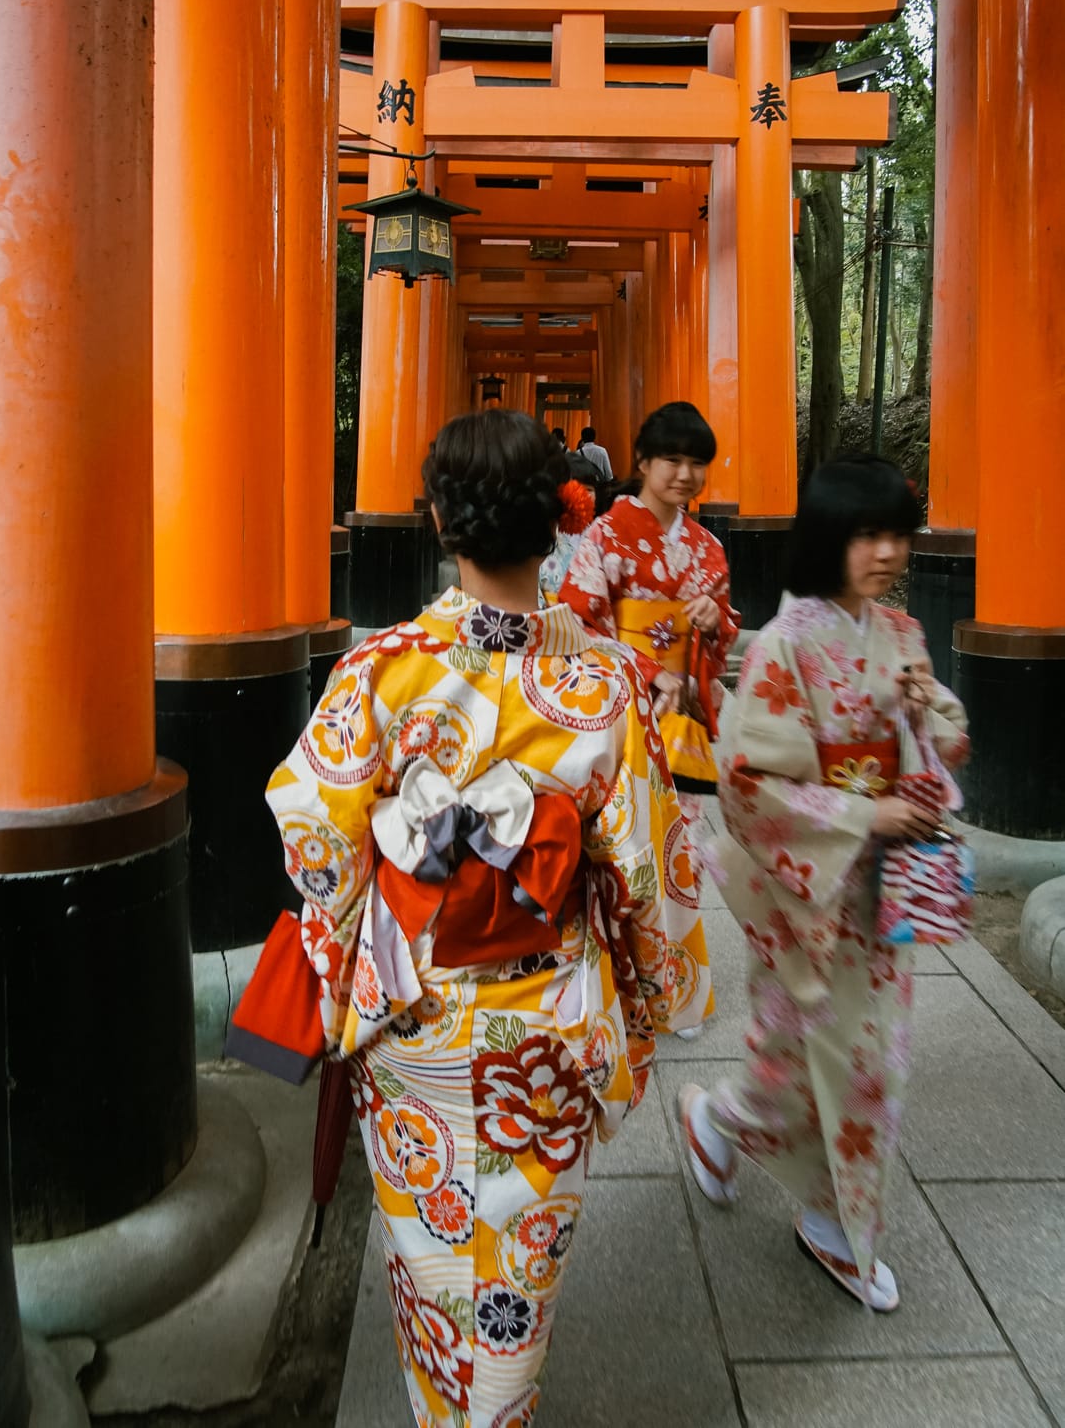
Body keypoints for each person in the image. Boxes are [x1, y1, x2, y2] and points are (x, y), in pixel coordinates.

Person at [267, 409, 705, 1428]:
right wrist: (648, 1004)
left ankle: (442, 1410)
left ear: (438, 520)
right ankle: (503, 1406)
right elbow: (649, 872)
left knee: (428, 1254)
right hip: (543, 1030)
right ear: (558, 522)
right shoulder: (603, 685)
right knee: (520, 1269)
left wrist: (341, 947)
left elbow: (318, 844)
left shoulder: (377, 675)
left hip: (414, 1021)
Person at [677, 455, 969, 1312]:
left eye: (896, 536)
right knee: (789, 1059)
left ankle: (833, 1222)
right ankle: (721, 1119)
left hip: (884, 890)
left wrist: (925, 713)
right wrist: (862, 816)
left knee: (871, 1056)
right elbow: (748, 782)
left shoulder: (903, 635)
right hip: (807, 887)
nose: (886, 553)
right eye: (866, 535)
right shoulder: (783, 646)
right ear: (828, 540)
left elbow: (947, 735)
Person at [559, 400, 738, 1034]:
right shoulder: (607, 535)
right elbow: (577, 622)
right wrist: (645, 667)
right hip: (619, 713)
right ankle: (611, 980)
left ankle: (679, 990)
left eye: (697, 463)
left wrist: (718, 625)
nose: (684, 474)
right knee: (614, 853)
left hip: (679, 718)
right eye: (672, 459)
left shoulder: (707, 548)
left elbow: (721, 626)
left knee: (677, 850)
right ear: (641, 462)